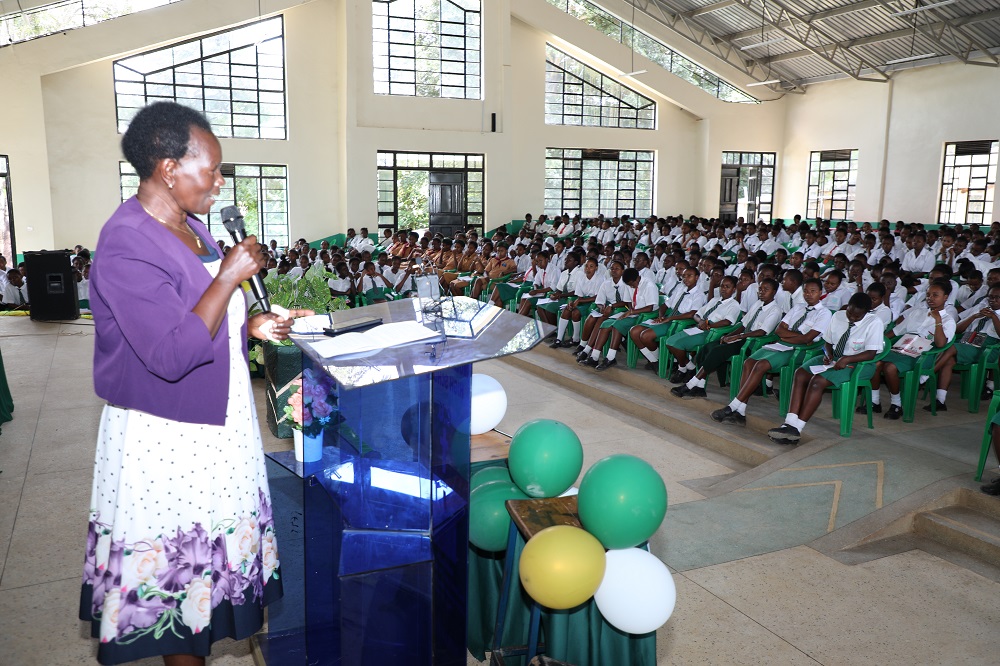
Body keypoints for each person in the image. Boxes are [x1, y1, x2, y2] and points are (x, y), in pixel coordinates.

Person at [81, 102, 311, 666]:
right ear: (167, 168)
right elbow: (171, 352)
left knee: (209, 575)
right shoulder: (125, 241)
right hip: (168, 435)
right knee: (179, 583)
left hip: (218, 422)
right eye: (211, 169)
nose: (220, 181)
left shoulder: (192, 226)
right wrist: (231, 275)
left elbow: (200, 315)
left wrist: (248, 321)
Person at [767, 293, 885, 444]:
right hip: (835, 359)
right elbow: (827, 342)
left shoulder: (874, 322)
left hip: (859, 364)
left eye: (857, 316)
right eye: (850, 313)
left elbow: (871, 353)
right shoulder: (838, 316)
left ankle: (797, 428)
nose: (852, 318)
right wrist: (828, 354)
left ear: (866, 312)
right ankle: (789, 423)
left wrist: (847, 358)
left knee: (817, 382)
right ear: (847, 306)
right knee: (801, 373)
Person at [712, 278, 831, 426]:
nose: (808, 294)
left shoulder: (824, 313)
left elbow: (808, 338)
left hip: (799, 351)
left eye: (813, 291)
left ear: (820, 292)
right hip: (781, 344)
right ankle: (740, 412)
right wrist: (797, 337)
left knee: (761, 365)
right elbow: (779, 330)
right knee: (749, 362)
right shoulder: (798, 308)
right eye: (806, 291)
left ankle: (733, 406)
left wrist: (795, 337)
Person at [868, 279, 956, 418]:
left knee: (890, 367)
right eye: (928, 295)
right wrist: (875, 341)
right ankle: (874, 402)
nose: (930, 298)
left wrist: (938, 320)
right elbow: (896, 331)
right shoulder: (917, 312)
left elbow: (940, 344)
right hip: (902, 347)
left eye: (935, 295)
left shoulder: (948, 320)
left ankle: (896, 404)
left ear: (945, 297)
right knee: (875, 363)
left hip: (923, 354)